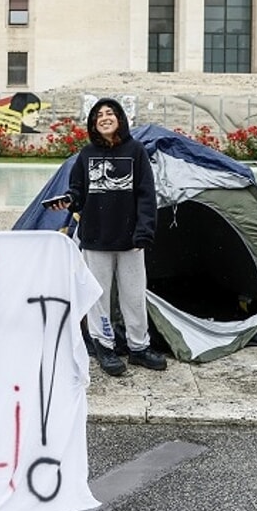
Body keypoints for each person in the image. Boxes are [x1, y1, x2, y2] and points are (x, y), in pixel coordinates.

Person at [46, 97, 165, 376]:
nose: (104, 118)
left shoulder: (136, 152)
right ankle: (105, 347)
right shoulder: (85, 155)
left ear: (120, 119)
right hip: (95, 240)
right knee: (98, 297)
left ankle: (138, 347)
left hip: (131, 243)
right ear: (93, 124)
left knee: (134, 296)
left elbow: (147, 196)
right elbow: (78, 192)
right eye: (99, 115)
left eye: (110, 113)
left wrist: (144, 233)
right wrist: (67, 200)